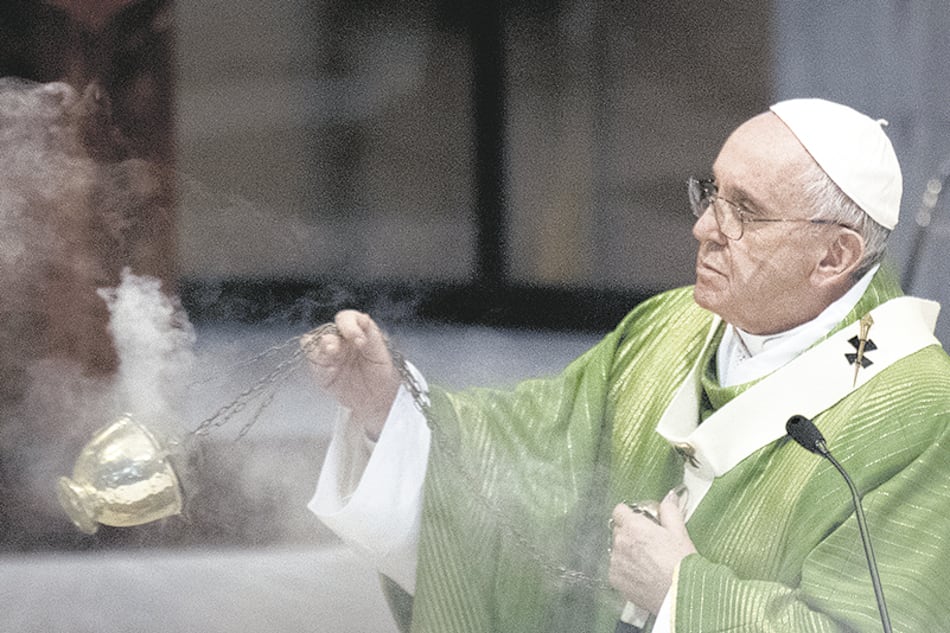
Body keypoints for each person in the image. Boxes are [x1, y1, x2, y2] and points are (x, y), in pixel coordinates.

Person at [304, 98, 950, 633]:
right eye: (711, 194)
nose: (703, 229)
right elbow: (532, 451)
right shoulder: (668, 328)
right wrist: (391, 408)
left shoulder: (919, 412)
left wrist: (683, 593)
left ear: (834, 256)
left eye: (744, 212)